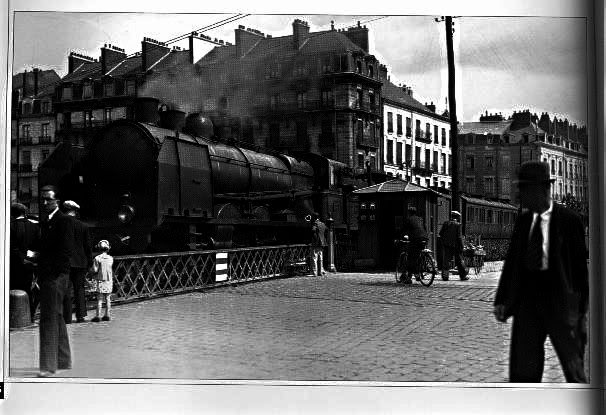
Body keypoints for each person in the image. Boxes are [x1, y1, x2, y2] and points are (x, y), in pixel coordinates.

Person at [494, 161, 588, 383]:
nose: (519, 195)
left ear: (541, 189)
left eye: (523, 189)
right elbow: (512, 263)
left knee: (574, 370)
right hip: (527, 303)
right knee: (523, 372)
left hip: (561, 303)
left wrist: (581, 314)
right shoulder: (524, 221)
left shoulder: (569, 221)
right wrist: (502, 299)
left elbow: (579, 272)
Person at [37, 185, 74, 377]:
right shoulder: (47, 221)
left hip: (54, 277)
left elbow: (65, 251)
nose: (44, 203)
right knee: (57, 317)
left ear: (57, 201)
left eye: (48, 200)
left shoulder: (63, 221)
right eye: (42, 199)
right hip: (52, 275)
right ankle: (63, 360)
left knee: (48, 319)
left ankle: (48, 366)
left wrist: (53, 273)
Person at [62, 200, 93, 324]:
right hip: (80, 263)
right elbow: (87, 247)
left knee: (66, 290)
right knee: (79, 289)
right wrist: (89, 262)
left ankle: (67, 317)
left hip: (65, 262)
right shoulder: (83, 226)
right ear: (75, 211)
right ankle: (80, 316)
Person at [10, 202, 41, 322]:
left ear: (13, 214)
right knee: (28, 289)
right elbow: (38, 247)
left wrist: (21, 258)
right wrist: (31, 259)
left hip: (14, 264)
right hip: (30, 264)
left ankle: (15, 318)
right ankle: (31, 315)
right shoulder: (34, 227)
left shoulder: (10, 226)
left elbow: (12, 248)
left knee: (13, 290)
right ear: (25, 213)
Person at [398, 206, 428, 284]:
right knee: (416, 255)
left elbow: (403, 229)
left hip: (416, 239)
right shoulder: (420, 219)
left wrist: (399, 237)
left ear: (409, 213)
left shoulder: (409, 219)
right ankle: (411, 275)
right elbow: (424, 228)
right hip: (424, 238)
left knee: (411, 257)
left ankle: (415, 274)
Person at [438, 211, 469, 281]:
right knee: (459, 261)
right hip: (456, 246)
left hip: (446, 245)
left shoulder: (445, 223)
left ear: (451, 216)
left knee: (446, 261)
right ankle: (462, 276)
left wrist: (444, 241)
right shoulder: (458, 225)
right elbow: (459, 237)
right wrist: (462, 246)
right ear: (457, 217)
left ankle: (445, 276)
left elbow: (440, 233)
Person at [91, 240, 114, 322]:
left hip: (100, 280)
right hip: (109, 280)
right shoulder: (111, 258)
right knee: (108, 298)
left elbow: (94, 270)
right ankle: (107, 315)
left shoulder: (97, 258)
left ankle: (98, 316)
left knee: (99, 299)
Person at [310, 212, 328, 277]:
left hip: (316, 243)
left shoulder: (315, 224)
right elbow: (326, 229)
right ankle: (320, 271)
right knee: (320, 258)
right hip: (322, 243)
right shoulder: (322, 224)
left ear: (314, 218)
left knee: (314, 258)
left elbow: (313, 231)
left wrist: (314, 240)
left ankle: (314, 272)